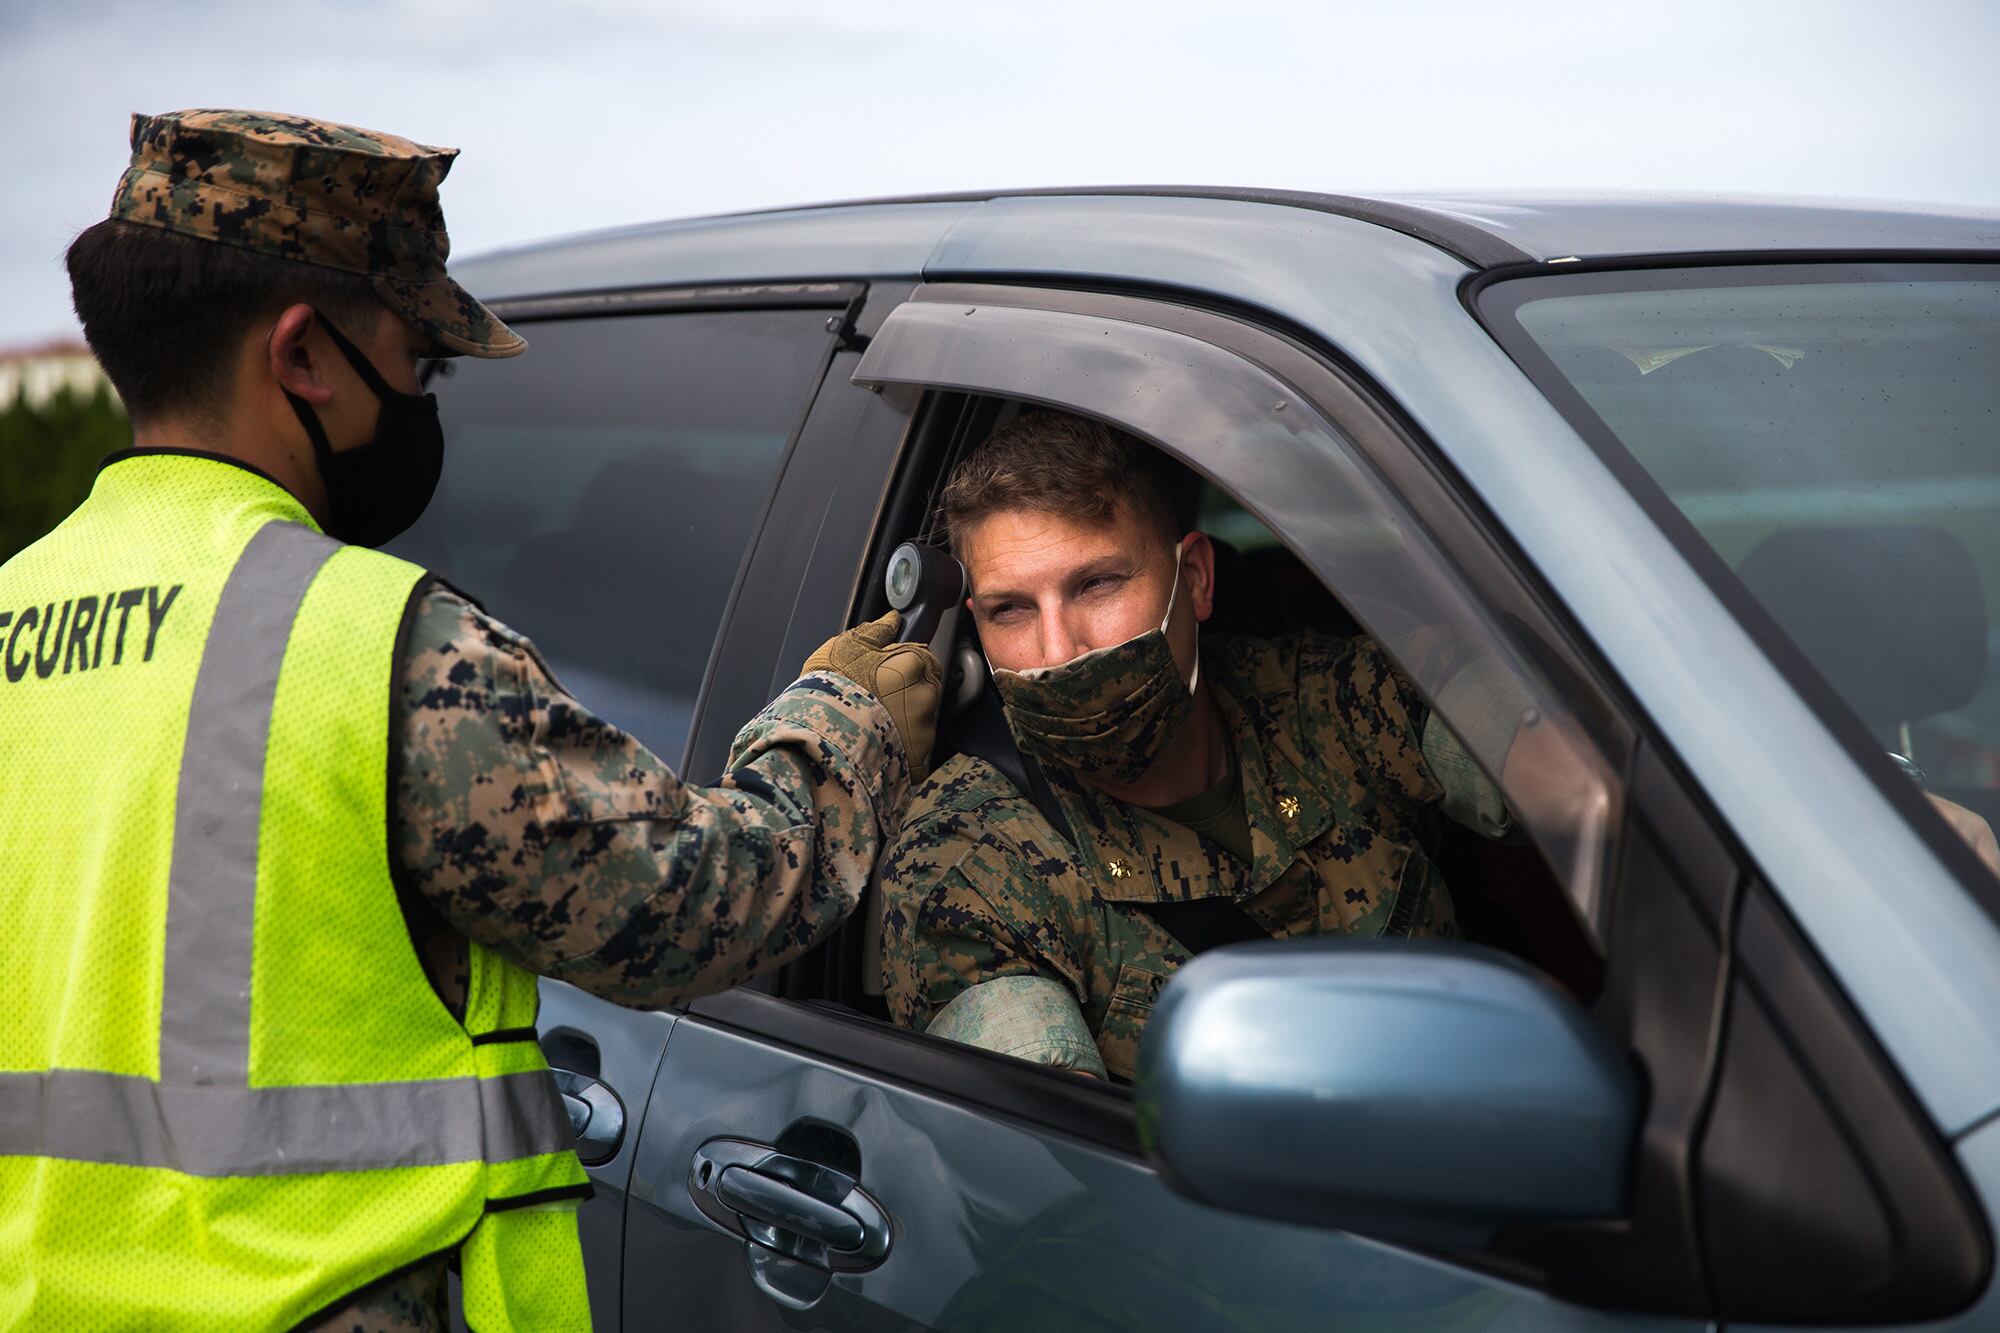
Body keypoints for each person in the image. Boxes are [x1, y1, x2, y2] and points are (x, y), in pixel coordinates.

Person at [0, 111, 939, 1332]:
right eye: (417, 362)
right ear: (302, 355)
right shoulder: (368, 642)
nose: (421, 397)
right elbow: (693, 905)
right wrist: (849, 722)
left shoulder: (17, 614)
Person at [879, 411, 2000, 1082]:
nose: (1061, 648)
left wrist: (1850, 847)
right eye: (1008, 612)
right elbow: (1047, 1176)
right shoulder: (968, 857)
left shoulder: (1315, 694)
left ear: (1195, 579)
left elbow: (1582, 782)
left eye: (1098, 584)